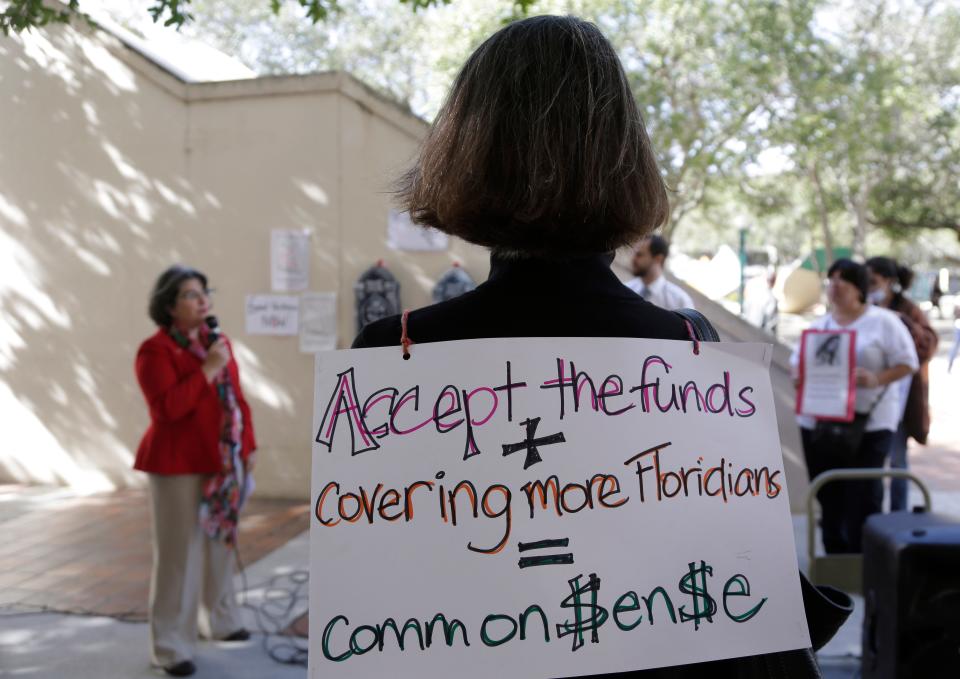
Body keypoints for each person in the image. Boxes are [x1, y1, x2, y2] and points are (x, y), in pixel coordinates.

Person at [355, 15, 833, 678]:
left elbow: (376, 612)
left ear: (468, 153)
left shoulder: (388, 359)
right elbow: (745, 603)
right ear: (624, 155)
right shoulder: (692, 354)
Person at [134, 265, 255, 677]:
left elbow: (236, 400)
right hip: (176, 463)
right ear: (169, 306)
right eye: (190, 294)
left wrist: (248, 447)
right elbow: (166, 410)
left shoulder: (217, 343)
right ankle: (170, 645)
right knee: (178, 555)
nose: (202, 299)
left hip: (222, 460)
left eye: (204, 291)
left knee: (220, 541)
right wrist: (206, 370)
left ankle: (220, 619)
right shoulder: (155, 351)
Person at [792, 259, 918, 554]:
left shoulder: (884, 322)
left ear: (859, 288)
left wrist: (876, 378)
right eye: (831, 279)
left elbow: (908, 362)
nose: (834, 286)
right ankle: (835, 563)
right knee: (829, 494)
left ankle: (866, 564)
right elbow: (797, 366)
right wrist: (801, 378)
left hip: (870, 424)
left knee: (865, 496)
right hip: (819, 424)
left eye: (843, 280)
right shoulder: (818, 327)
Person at [866, 257, 938, 511]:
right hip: (865, 403)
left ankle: (898, 517)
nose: (869, 286)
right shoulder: (861, 309)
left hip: (898, 402)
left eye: (873, 281)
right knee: (868, 466)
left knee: (897, 462)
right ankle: (869, 519)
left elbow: (927, 345)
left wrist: (902, 323)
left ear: (889, 281)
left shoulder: (907, 311)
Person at [624, 234, 695, 310]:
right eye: (634, 254)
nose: (633, 259)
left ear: (658, 259)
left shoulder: (680, 301)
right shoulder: (627, 289)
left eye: (639, 255)